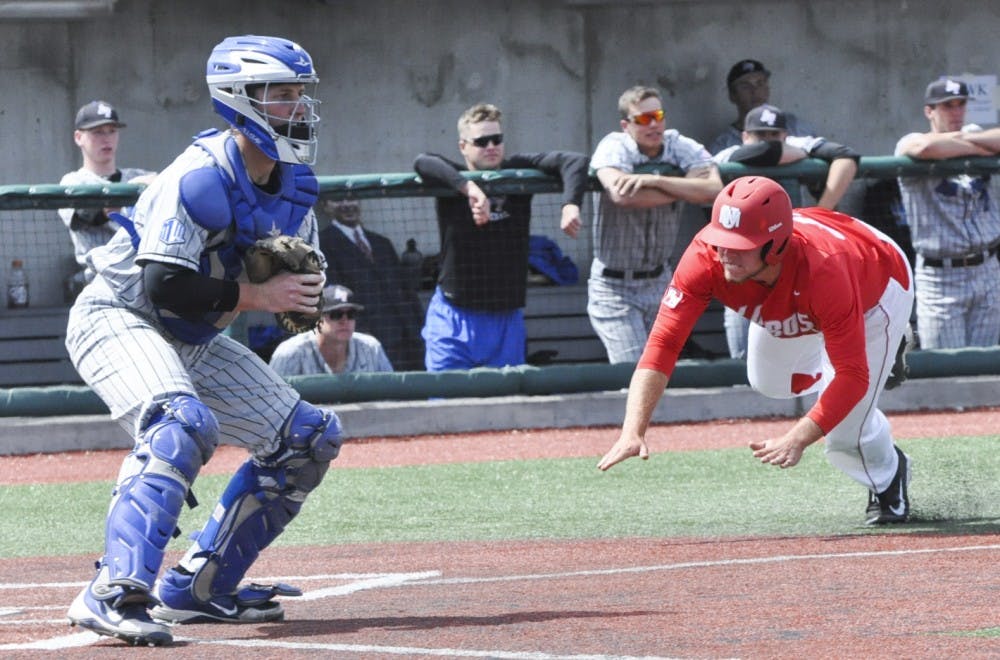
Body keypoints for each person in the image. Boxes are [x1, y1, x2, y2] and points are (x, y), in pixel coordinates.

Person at [64, 35, 338, 647]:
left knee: (309, 438)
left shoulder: (295, 188)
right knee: (179, 423)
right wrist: (260, 295)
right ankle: (112, 590)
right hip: (120, 315)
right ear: (241, 101)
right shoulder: (199, 174)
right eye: (283, 95)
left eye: (301, 95)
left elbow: (298, 292)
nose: (298, 108)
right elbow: (163, 284)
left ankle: (200, 588)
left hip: (196, 335)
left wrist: (300, 289)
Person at [597, 176, 915, 527]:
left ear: (775, 245)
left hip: (877, 286)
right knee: (771, 382)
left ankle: (888, 480)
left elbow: (853, 377)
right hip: (800, 300)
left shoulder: (825, 272)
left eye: (741, 244)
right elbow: (662, 345)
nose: (726, 254)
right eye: (721, 240)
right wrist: (633, 430)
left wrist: (798, 437)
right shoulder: (706, 257)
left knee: (844, 429)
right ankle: (854, 366)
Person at [413, 103, 589, 371]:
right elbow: (422, 161)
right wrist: (468, 188)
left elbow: (574, 160)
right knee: (446, 407)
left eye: (497, 139)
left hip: (505, 320)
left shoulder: (517, 171)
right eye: (481, 141)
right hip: (454, 315)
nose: (491, 146)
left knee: (505, 407)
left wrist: (570, 205)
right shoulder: (451, 180)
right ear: (464, 146)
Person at [588, 85, 723, 364]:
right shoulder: (614, 145)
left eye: (658, 116)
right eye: (643, 119)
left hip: (660, 280)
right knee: (634, 371)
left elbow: (714, 190)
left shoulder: (677, 144)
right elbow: (622, 195)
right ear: (626, 125)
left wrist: (655, 180)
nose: (654, 124)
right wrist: (686, 186)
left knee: (662, 372)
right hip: (615, 285)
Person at [713, 103, 860, 358]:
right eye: (760, 135)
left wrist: (821, 211)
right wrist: (792, 151)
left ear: (785, 135)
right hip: (741, 275)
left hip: (788, 272)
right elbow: (764, 153)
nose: (768, 140)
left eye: (774, 134)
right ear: (745, 136)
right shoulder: (727, 155)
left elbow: (847, 155)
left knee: (797, 364)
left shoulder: (798, 144)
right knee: (744, 364)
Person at [895, 78, 1000, 349]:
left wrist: (963, 139)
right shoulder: (911, 140)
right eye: (947, 106)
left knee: (985, 371)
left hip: (988, 269)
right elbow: (924, 149)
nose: (956, 112)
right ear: (929, 111)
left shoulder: (972, 132)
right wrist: (977, 147)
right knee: (946, 371)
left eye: (960, 105)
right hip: (941, 276)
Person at [58, 100, 156, 299]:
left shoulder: (138, 175)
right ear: (78, 137)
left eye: (112, 131)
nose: (106, 138)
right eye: (97, 132)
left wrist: (156, 181)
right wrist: (126, 194)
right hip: (99, 283)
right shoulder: (73, 181)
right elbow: (85, 217)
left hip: (144, 278)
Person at [317, 196, 424, 370]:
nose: (347, 205)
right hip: (367, 341)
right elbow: (334, 298)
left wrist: (418, 328)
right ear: (326, 206)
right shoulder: (323, 244)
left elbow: (406, 291)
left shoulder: (382, 243)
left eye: (352, 199)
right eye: (338, 200)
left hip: (408, 339)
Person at [270, 284, 393, 375]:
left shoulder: (371, 348)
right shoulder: (290, 353)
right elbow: (272, 402)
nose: (344, 321)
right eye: (336, 314)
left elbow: (392, 394)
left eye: (351, 314)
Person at [709, 58, 817, 155]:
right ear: (732, 95)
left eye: (760, 83)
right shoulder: (723, 144)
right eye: (745, 86)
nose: (755, 91)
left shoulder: (794, 126)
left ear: (768, 89)